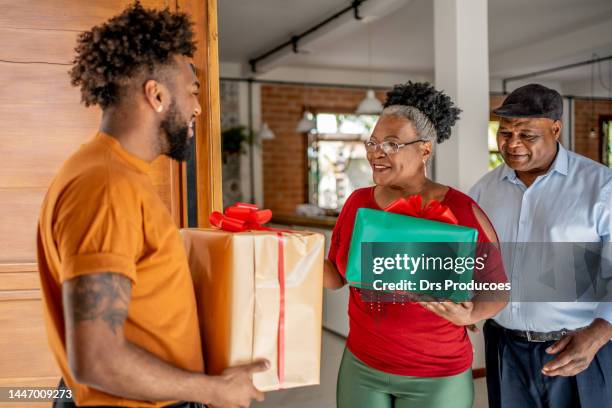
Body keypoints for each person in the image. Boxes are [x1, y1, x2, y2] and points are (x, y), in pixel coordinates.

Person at [36, 4, 267, 407]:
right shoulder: (106, 185)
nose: (198, 108)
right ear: (156, 94)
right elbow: (97, 358)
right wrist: (213, 391)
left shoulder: (110, 173)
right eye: (193, 92)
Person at [324, 81, 508, 408]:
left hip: (437, 374)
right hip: (363, 365)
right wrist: (288, 250)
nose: (375, 153)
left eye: (391, 144)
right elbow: (336, 277)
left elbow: (498, 290)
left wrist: (470, 315)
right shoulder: (358, 203)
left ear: (425, 148)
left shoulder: (464, 210)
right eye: (373, 142)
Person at [469, 83, 612, 407]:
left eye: (527, 135)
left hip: (581, 348)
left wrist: (600, 333)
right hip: (505, 348)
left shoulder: (600, 187)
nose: (512, 144)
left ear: (556, 129)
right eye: (504, 133)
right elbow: (473, 259)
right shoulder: (483, 190)